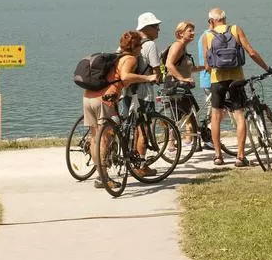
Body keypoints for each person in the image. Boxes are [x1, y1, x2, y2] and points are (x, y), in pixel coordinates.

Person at [83, 30, 158, 189]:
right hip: (105, 99)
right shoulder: (130, 58)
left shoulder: (115, 57)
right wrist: (148, 77)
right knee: (105, 139)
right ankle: (103, 178)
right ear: (136, 46)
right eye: (140, 46)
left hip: (88, 97)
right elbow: (125, 77)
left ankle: (100, 175)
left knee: (96, 138)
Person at [203, 7, 272, 168]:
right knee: (239, 116)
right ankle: (240, 156)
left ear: (212, 20)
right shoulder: (235, 29)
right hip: (236, 79)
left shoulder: (207, 35)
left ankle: (218, 156)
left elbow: (208, 65)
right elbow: (251, 52)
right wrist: (266, 68)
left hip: (217, 81)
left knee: (215, 117)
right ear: (224, 18)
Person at [163, 20, 204, 152]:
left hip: (180, 84)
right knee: (186, 113)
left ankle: (186, 141)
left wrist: (205, 68)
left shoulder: (183, 48)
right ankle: (184, 142)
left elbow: (188, 69)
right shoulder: (178, 46)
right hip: (176, 84)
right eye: (190, 31)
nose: (193, 33)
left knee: (182, 114)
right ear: (180, 33)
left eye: (193, 30)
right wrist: (181, 78)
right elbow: (169, 64)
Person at [196, 18, 214, 150]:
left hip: (204, 78)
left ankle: (207, 136)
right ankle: (208, 138)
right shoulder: (210, 36)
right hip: (211, 78)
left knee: (211, 109)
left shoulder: (203, 36)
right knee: (218, 109)